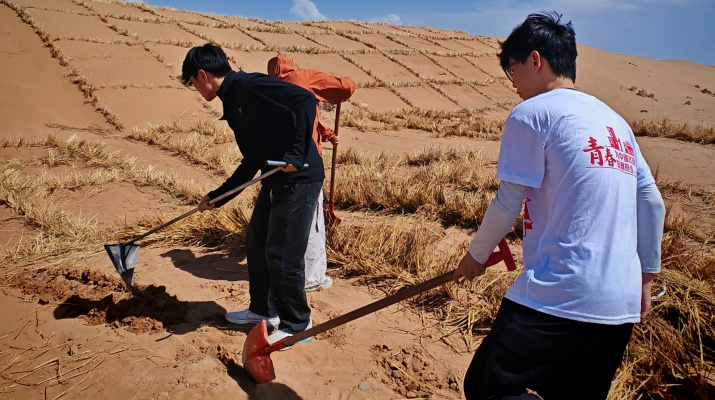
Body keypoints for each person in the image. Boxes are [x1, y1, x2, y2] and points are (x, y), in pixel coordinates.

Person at [452, 11, 665, 400]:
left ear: (535, 60)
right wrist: (645, 280)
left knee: (487, 384)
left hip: (561, 290)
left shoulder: (533, 114)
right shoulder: (615, 122)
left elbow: (507, 201)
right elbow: (651, 201)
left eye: (512, 69)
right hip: (619, 305)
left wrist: (476, 256)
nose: (513, 83)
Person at [182, 43, 324, 345]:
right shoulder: (233, 101)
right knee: (258, 241)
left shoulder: (247, 86)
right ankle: (263, 310)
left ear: (202, 75)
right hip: (275, 178)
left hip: (299, 177)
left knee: (282, 252)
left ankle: (297, 323)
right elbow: (251, 162)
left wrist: (297, 153)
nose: (196, 88)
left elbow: (304, 99)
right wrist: (218, 196)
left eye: (193, 82)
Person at [266, 53, 355, 292]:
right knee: (312, 219)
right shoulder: (304, 77)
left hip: (280, 162)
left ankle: (286, 270)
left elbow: (304, 117)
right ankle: (312, 278)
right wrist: (347, 83)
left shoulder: (271, 88)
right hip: (307, 162)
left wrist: (326, 133)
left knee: (287, 217)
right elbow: (343, 88)